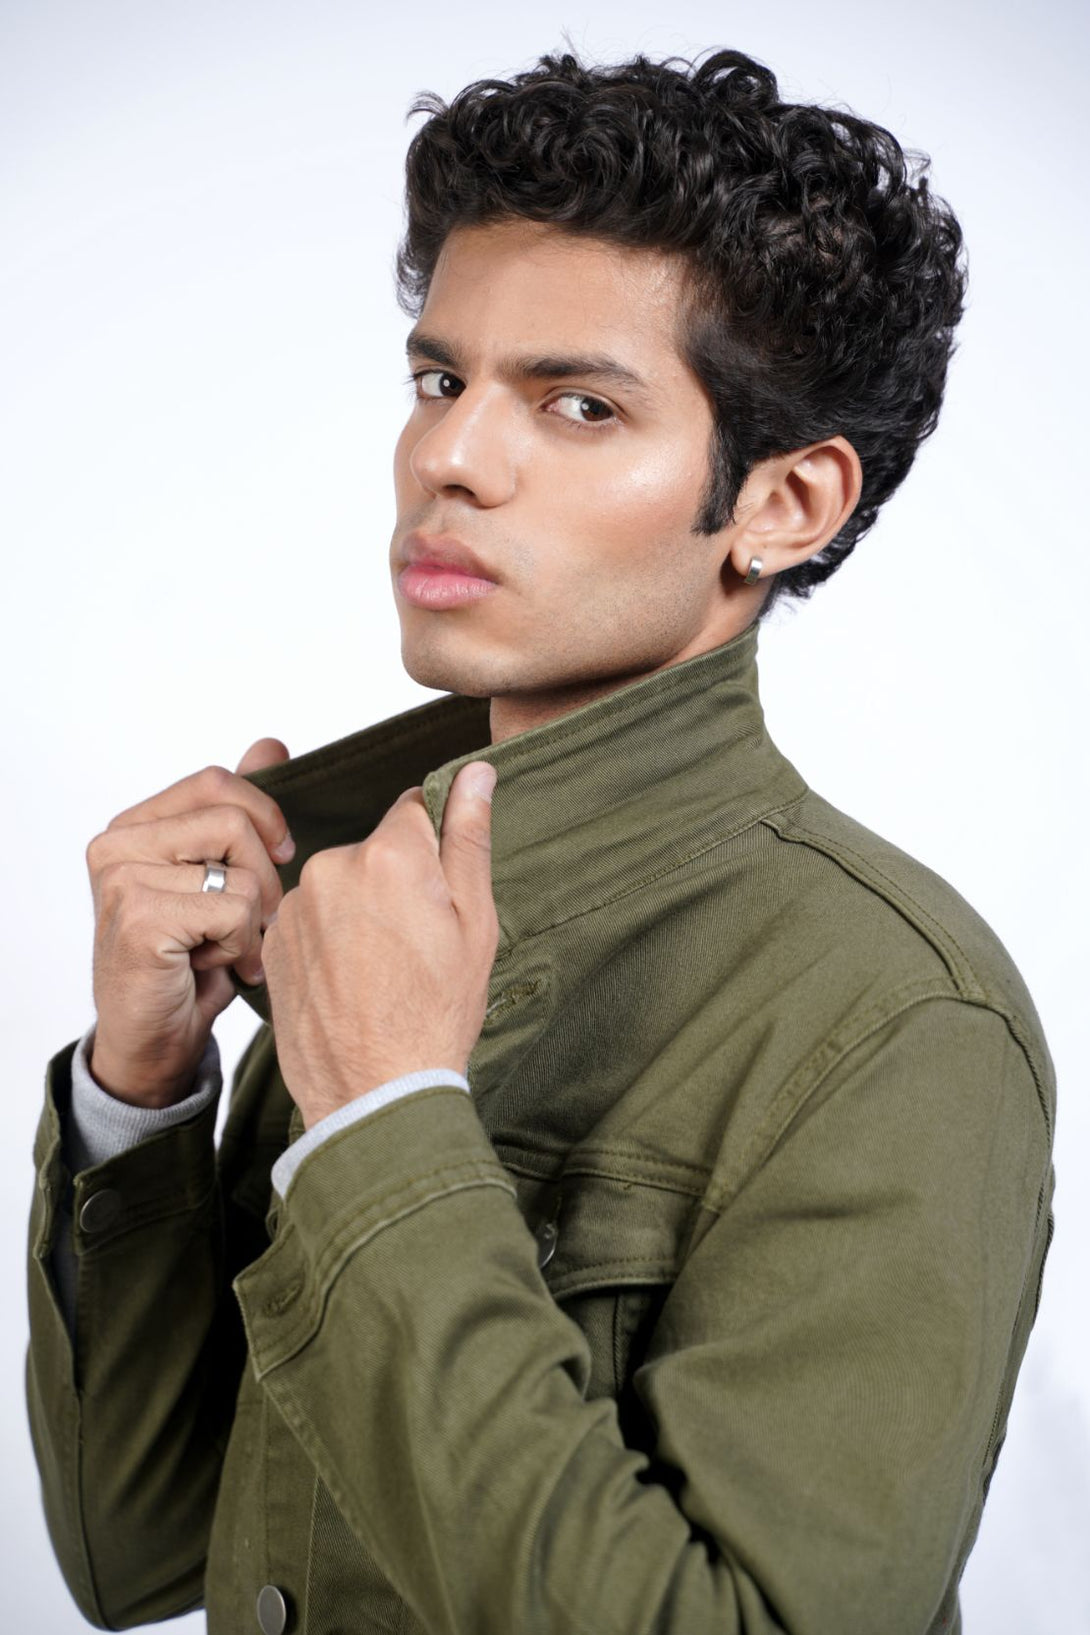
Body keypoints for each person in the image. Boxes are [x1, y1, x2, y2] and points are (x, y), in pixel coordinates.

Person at [27, 46, 1055, 1635]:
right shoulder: (362, 891)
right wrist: (141, 1091)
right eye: (440, 382)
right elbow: (140, 1551)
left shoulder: (897, 1018)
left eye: (578, 405)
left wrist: (387, 1130)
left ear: (782, 505)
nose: (449, 458)